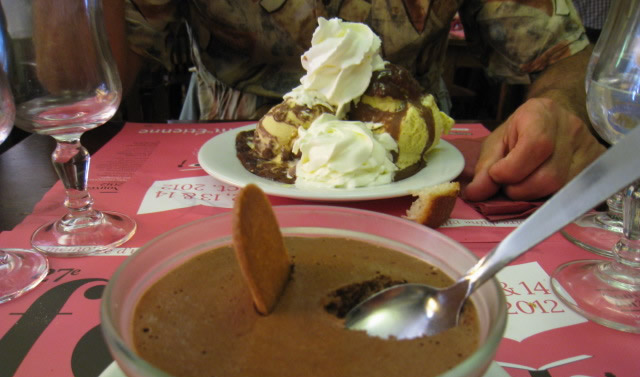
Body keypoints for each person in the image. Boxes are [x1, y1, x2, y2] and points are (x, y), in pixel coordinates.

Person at [106, 0, 606, 202]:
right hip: (226, 148)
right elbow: (103, 75)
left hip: (417, 154)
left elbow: (564, 54)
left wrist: (559, 106)